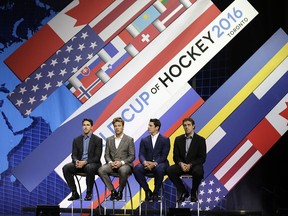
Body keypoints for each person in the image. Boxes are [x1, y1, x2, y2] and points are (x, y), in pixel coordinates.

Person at [167, 117, 206, 202]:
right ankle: (184, 191)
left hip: (194, 166)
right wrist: (181, 164)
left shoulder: (200, 140)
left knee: (198, 172)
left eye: (188, 125)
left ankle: (193, 192)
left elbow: (202, 158)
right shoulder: (178, 139)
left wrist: (190, 164)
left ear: (193, 126)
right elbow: (175, 156)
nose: (186, 127)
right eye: (184, 125)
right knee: (170, 170)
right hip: (182, 165)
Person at [62, 118, 103, 201]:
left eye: (88, 125)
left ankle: (89, 193)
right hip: (79, 164)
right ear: (82, 127)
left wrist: (85, 162)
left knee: (89, 167)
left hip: (93, 164)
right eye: (84, 125)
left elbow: (97, 157)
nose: (85, 127)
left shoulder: (98, 140)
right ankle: (74, 192)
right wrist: (76, 161)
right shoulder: (76, 140)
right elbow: (74, 154)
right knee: (66, 168)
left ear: (92, 127)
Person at [98, 117, 135, 201]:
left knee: (123, 170)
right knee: (101, 170)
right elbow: (106, 155)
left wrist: (121, 162)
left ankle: (120, 191)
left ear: (123, 127)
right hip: (112, 164)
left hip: (125, 165)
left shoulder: (129, 140)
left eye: (119, 126)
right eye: (115, 126)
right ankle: (113, 191)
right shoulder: (109, 140)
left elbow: (132, 156)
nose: (117, 128)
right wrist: (110, 162)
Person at [133, 118, 170, 202]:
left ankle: (155, 192)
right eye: (148, 125)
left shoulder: (165, 140)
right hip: (147, 163)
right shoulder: (144, 140)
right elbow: (141, 154)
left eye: (150, 126)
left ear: (157, 127)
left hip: (160, 163)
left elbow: (164, 156)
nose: (148, 127)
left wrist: (155, 163)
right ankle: (147, 191)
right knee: (136, 169)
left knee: (159, 169)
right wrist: (144, 162)